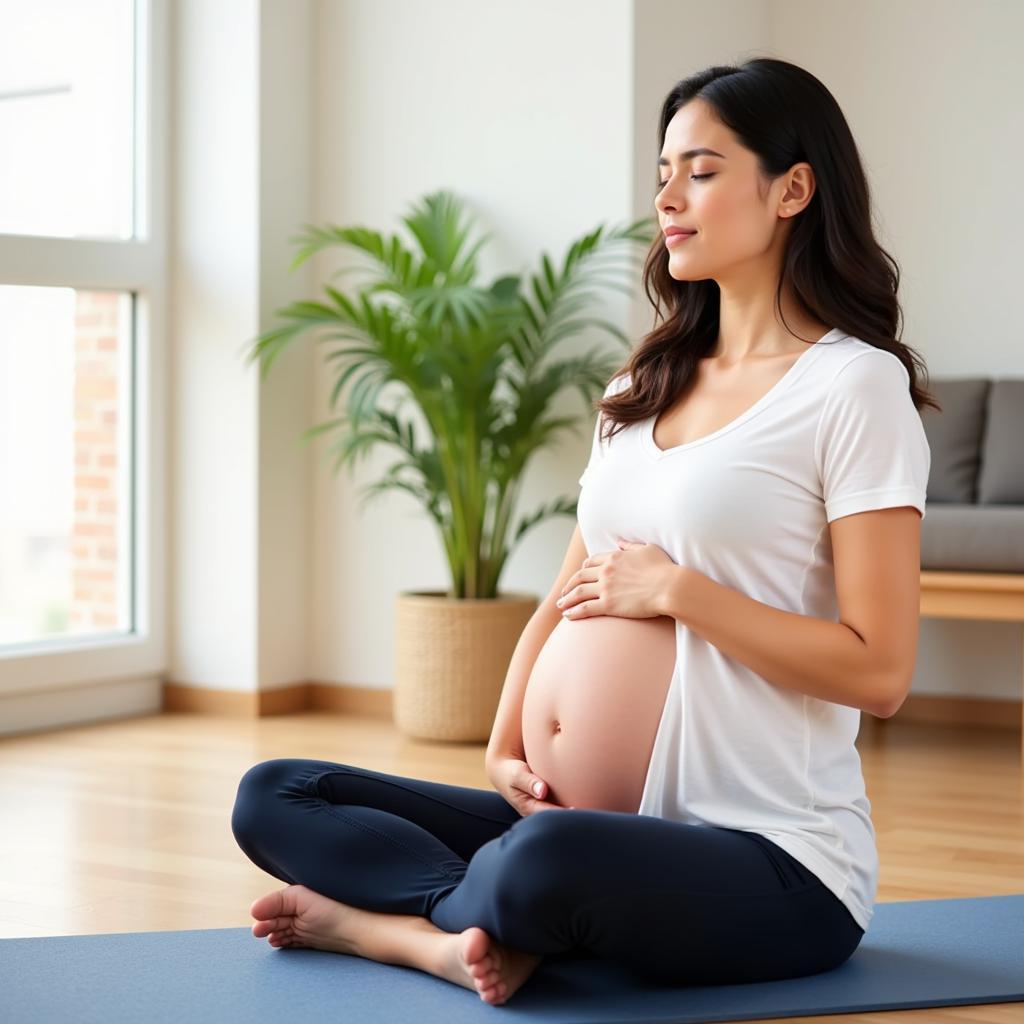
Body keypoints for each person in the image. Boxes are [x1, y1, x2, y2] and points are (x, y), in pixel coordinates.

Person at [230, 56, 936, 1007]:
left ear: (792, 189)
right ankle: (472, 925)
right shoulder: (640, 383)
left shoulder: (853, 387)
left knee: (546, 862)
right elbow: (567, 594)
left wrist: (680, 592)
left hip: (771, 860)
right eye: (662, 174)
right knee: (278, 790)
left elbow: (881, 672)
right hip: (583, 821)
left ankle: (397, 936)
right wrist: (502, 739)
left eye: (703, 169)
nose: (669, 198)